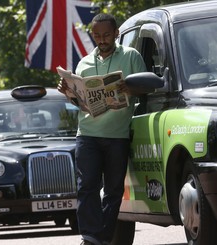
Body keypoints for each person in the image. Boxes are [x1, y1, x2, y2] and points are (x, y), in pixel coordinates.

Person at [58, 13, 146, 245]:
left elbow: (145, 89)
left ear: (116, 33)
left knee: (114, 191)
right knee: (86, 187)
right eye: (97, 35)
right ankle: (89, 237)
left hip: (117, 136)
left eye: (106, 35)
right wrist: (68, 91)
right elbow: (79, 102)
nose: (102, 39)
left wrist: (130, 88)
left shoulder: (131, 56)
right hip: (87, 135)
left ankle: (102, 238)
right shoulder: (84, 63)